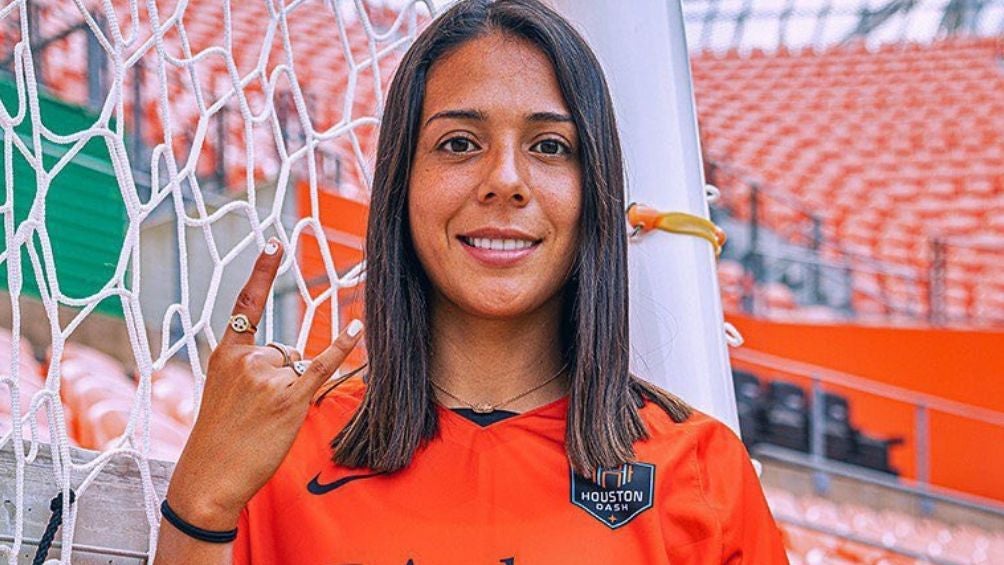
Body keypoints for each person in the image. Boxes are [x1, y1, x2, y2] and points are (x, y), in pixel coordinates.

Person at [154, 0, 789, 563]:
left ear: (595, 191)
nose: (505, 178)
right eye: (459, 143)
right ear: (401, 184)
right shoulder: (281, 449)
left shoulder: (701, 469)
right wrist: (200, 501)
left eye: (549, 146)